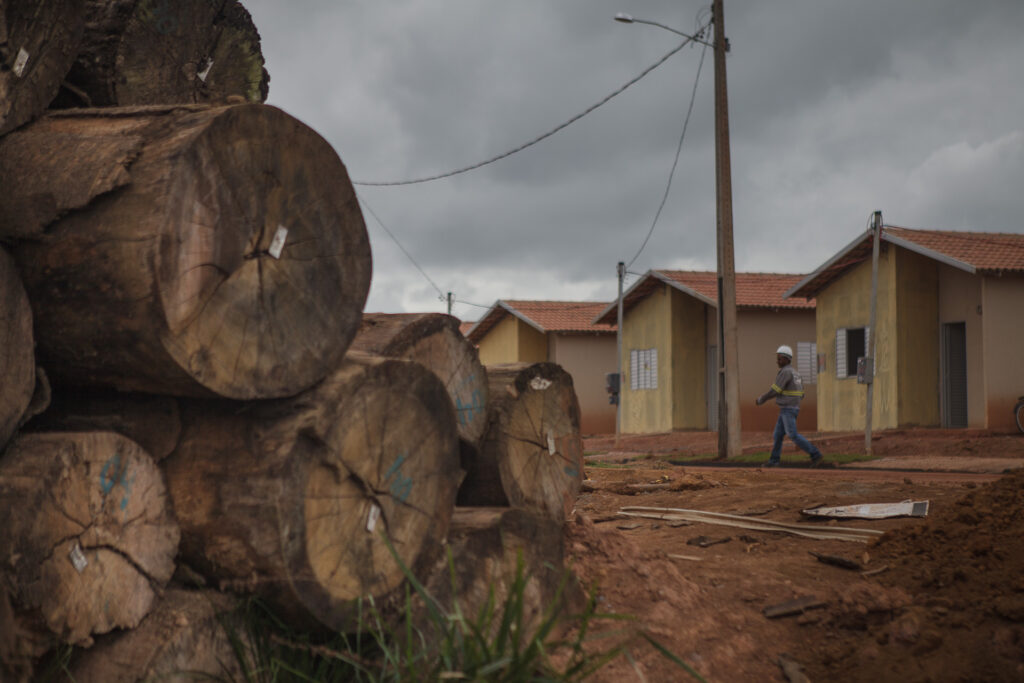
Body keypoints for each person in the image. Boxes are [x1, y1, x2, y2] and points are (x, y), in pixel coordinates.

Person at [755, 345, 824, 467]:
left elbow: (775, 390)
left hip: (788, 409)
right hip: (789, 408)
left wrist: (761, 399)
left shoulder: (785, 372)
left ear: (787, 359)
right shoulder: (795, 373)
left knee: (792, 435)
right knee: (778, 435)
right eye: (777, 358)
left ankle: (816, 454)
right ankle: (774, 460)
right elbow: (801, 393)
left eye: (780, 358)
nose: (777, 361)